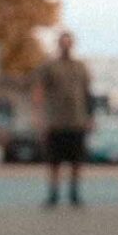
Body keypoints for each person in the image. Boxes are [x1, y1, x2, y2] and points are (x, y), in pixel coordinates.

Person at [32, 31, 94, 207]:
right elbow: (39, 90)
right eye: (63, 42)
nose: (66, 45)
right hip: (55, 121)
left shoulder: (81, 67)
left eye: (69, 42)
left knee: (76, 161)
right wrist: (39, 115)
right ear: (59, 44)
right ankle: (53, 194)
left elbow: (88, 92)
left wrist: (90, 117)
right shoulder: (49, 66)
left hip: (77, 120)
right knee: (54, 162)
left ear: (72, 44)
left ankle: (74, 193)